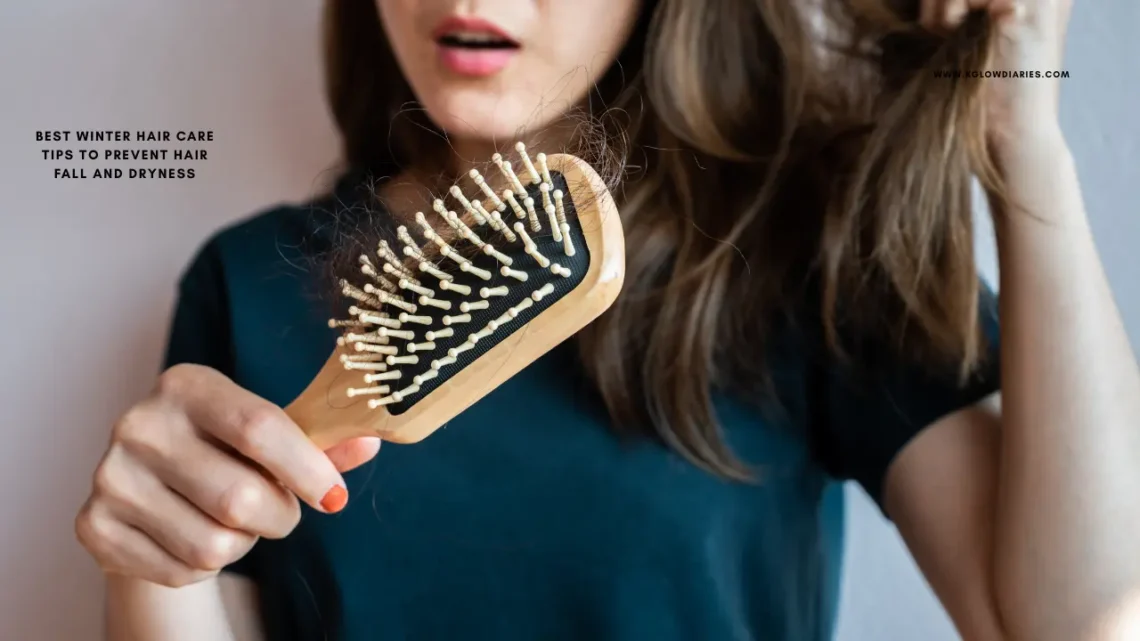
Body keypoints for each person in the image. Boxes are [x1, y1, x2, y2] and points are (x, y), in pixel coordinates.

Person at [76, 0, 1140, 640]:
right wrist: (153, 568)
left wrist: (1021, 145)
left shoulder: (796, 256)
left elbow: (1075, 621)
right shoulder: (249, 286)